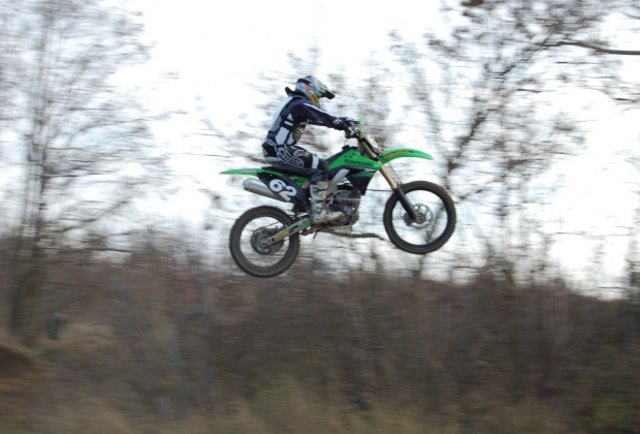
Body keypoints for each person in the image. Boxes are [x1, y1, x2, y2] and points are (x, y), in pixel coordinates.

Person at [262, 76, 359, 223]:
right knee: (320, 166)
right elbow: (325, 117)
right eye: (319, 95)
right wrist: (345, 125)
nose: (318, 99)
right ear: (309, 89)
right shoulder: (299, 104)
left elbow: (322, 119)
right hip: (279, 150)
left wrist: (346, 121)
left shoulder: (297, 105)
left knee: (318, 164)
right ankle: (319, 212)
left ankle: (307, 204)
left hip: (278, 149)